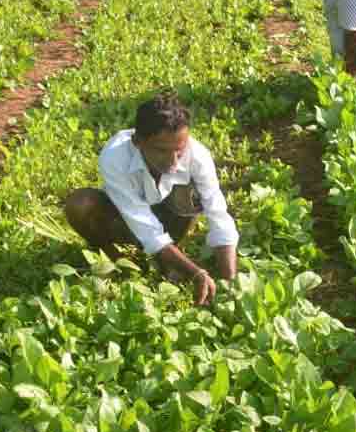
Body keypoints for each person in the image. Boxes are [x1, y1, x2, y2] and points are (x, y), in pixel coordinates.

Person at [62, 91, 238, 305]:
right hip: (125, 221)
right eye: (161, 151)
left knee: (194, 195)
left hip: (172, 215)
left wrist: (230, 283)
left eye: (179, 151)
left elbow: (219, 217)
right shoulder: (115, 156)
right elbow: (142, 223)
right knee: (79, 204)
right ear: (138, 142)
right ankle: (115, 258)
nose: (173, 161)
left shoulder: (198, 156)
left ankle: (172, 254)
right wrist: (197, 273)